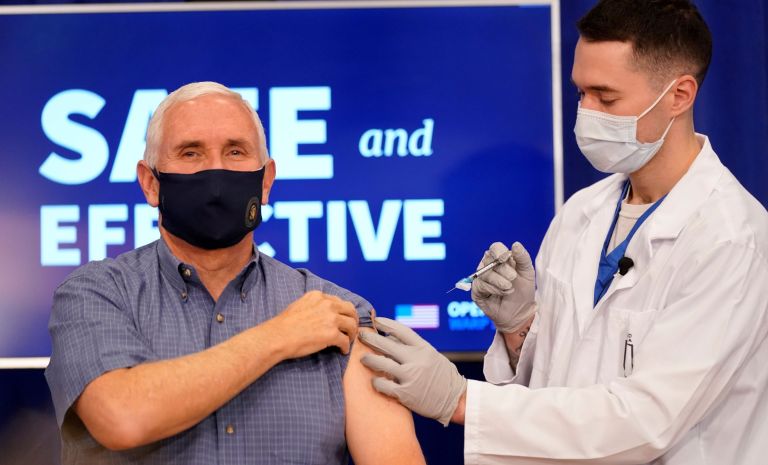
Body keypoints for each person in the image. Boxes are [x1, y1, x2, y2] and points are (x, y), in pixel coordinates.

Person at [359, 1, 768, 463]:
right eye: (581, 95)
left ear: (680, 95)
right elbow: (558, 388)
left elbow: (646, 423)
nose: (587, 114)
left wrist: (459, 400)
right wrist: (520, 332)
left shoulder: (731, 240)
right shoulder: (583, 212)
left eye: (606, 97)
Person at [44, 81, 425, 465]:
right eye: (190, 152)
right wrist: (279, 335)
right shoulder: (97, 294)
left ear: (266, 180)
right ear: (150, 183)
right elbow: (120, 417)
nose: (215, 172)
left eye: (235, 151)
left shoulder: (339, 314)